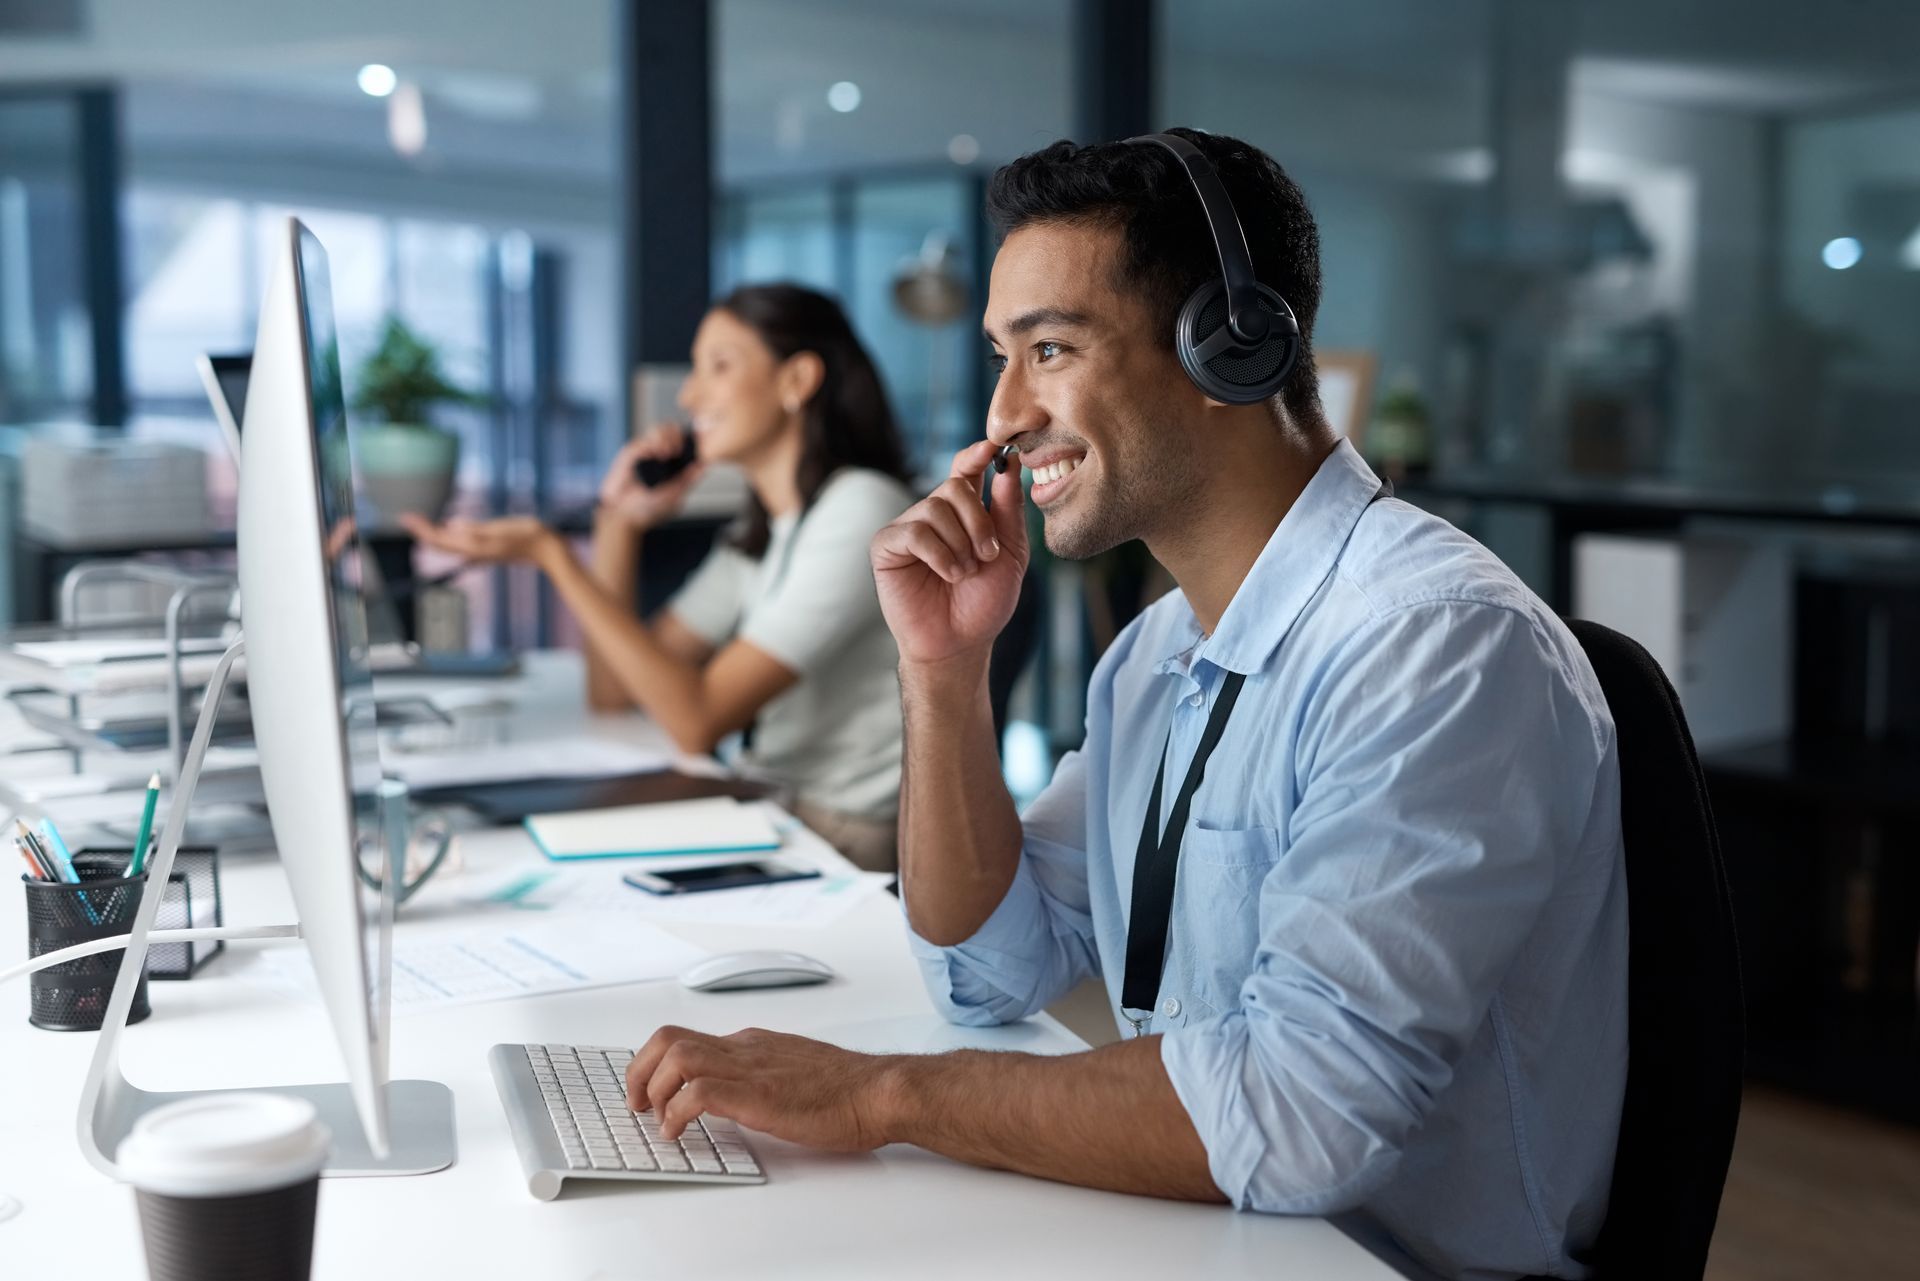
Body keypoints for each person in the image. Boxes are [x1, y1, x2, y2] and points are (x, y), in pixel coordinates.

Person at [617, 131, 1628, 1281]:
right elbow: (985, 971)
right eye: (1001, 355)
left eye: (1049, 349)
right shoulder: (1157, 654)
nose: (1001, 415)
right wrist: (944, 675)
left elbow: (1303, 1116)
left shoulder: (1434, 646)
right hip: (1199, 1230)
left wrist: (879, 1093)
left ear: (1229, 351)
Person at [404, 283, 915, 870]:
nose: (692, 396)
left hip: (840, 834)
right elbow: (616, 693)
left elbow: (695, 720)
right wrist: (618, 525)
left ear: (796, 381)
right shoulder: (765, 528)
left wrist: (554, 555)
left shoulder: (860, 510)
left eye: (718, 367)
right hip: (775, 806)